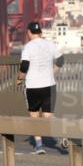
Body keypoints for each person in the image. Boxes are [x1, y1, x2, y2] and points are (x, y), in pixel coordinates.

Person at [17, 21, 66, 154]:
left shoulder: (28, 47)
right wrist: (53, 72)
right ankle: (63, 134)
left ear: (29, 32)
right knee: (48, 116)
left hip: (33, 86)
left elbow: (24, 66)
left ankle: (39, 146)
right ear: (41, 32)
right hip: (49, 85)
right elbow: (61, 60)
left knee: (34, 117)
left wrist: (19, 79)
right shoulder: (50, 44)